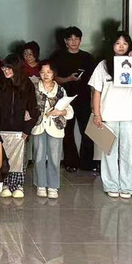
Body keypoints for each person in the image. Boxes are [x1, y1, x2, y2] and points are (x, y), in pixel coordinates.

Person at [90, 31, 132, 199]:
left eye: (124, 43)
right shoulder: (103, 65)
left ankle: (127, 186)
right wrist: (97, 114)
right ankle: (111, 185)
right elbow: (96, 91)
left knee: (128, 152)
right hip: (109, 114)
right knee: (109, 151)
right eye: (117, 43)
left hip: (130, 114)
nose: (121, 46)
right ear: (112, 46)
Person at [0, 54, 38, 199]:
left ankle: (17, 185)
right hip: (0, 129)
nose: (6, 71)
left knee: (19, 159)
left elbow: (33, 108)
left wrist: (27, 129)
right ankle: (3, 184)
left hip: (19, 130)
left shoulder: (26, 84)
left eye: (9, 68)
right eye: (4, 68)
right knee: (1, 158)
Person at [51, 26, 95, 173]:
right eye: (70, 39)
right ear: (65, 41)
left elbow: (94, 81)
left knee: (87, 131)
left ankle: (87, 163)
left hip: (84, 98)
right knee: (67, 131)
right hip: (64, 99)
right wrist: (68, 79)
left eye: (77, 39)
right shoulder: (58, 57)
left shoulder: (87, 57)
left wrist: (93, 100)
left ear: (80, 40)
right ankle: (71, 162)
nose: (74, 42)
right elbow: (53, 78)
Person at [30, 60, 73, 199]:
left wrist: (60, 112)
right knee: (38, 157)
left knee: (55, 157)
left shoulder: (60, 90)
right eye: (42, 72)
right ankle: (41, 184)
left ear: (54, 73)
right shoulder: (34, 88)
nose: (45, 75)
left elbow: (69, 110)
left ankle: (53, 186)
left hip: (55, 127)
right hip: (39, 126)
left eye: (48, 72)